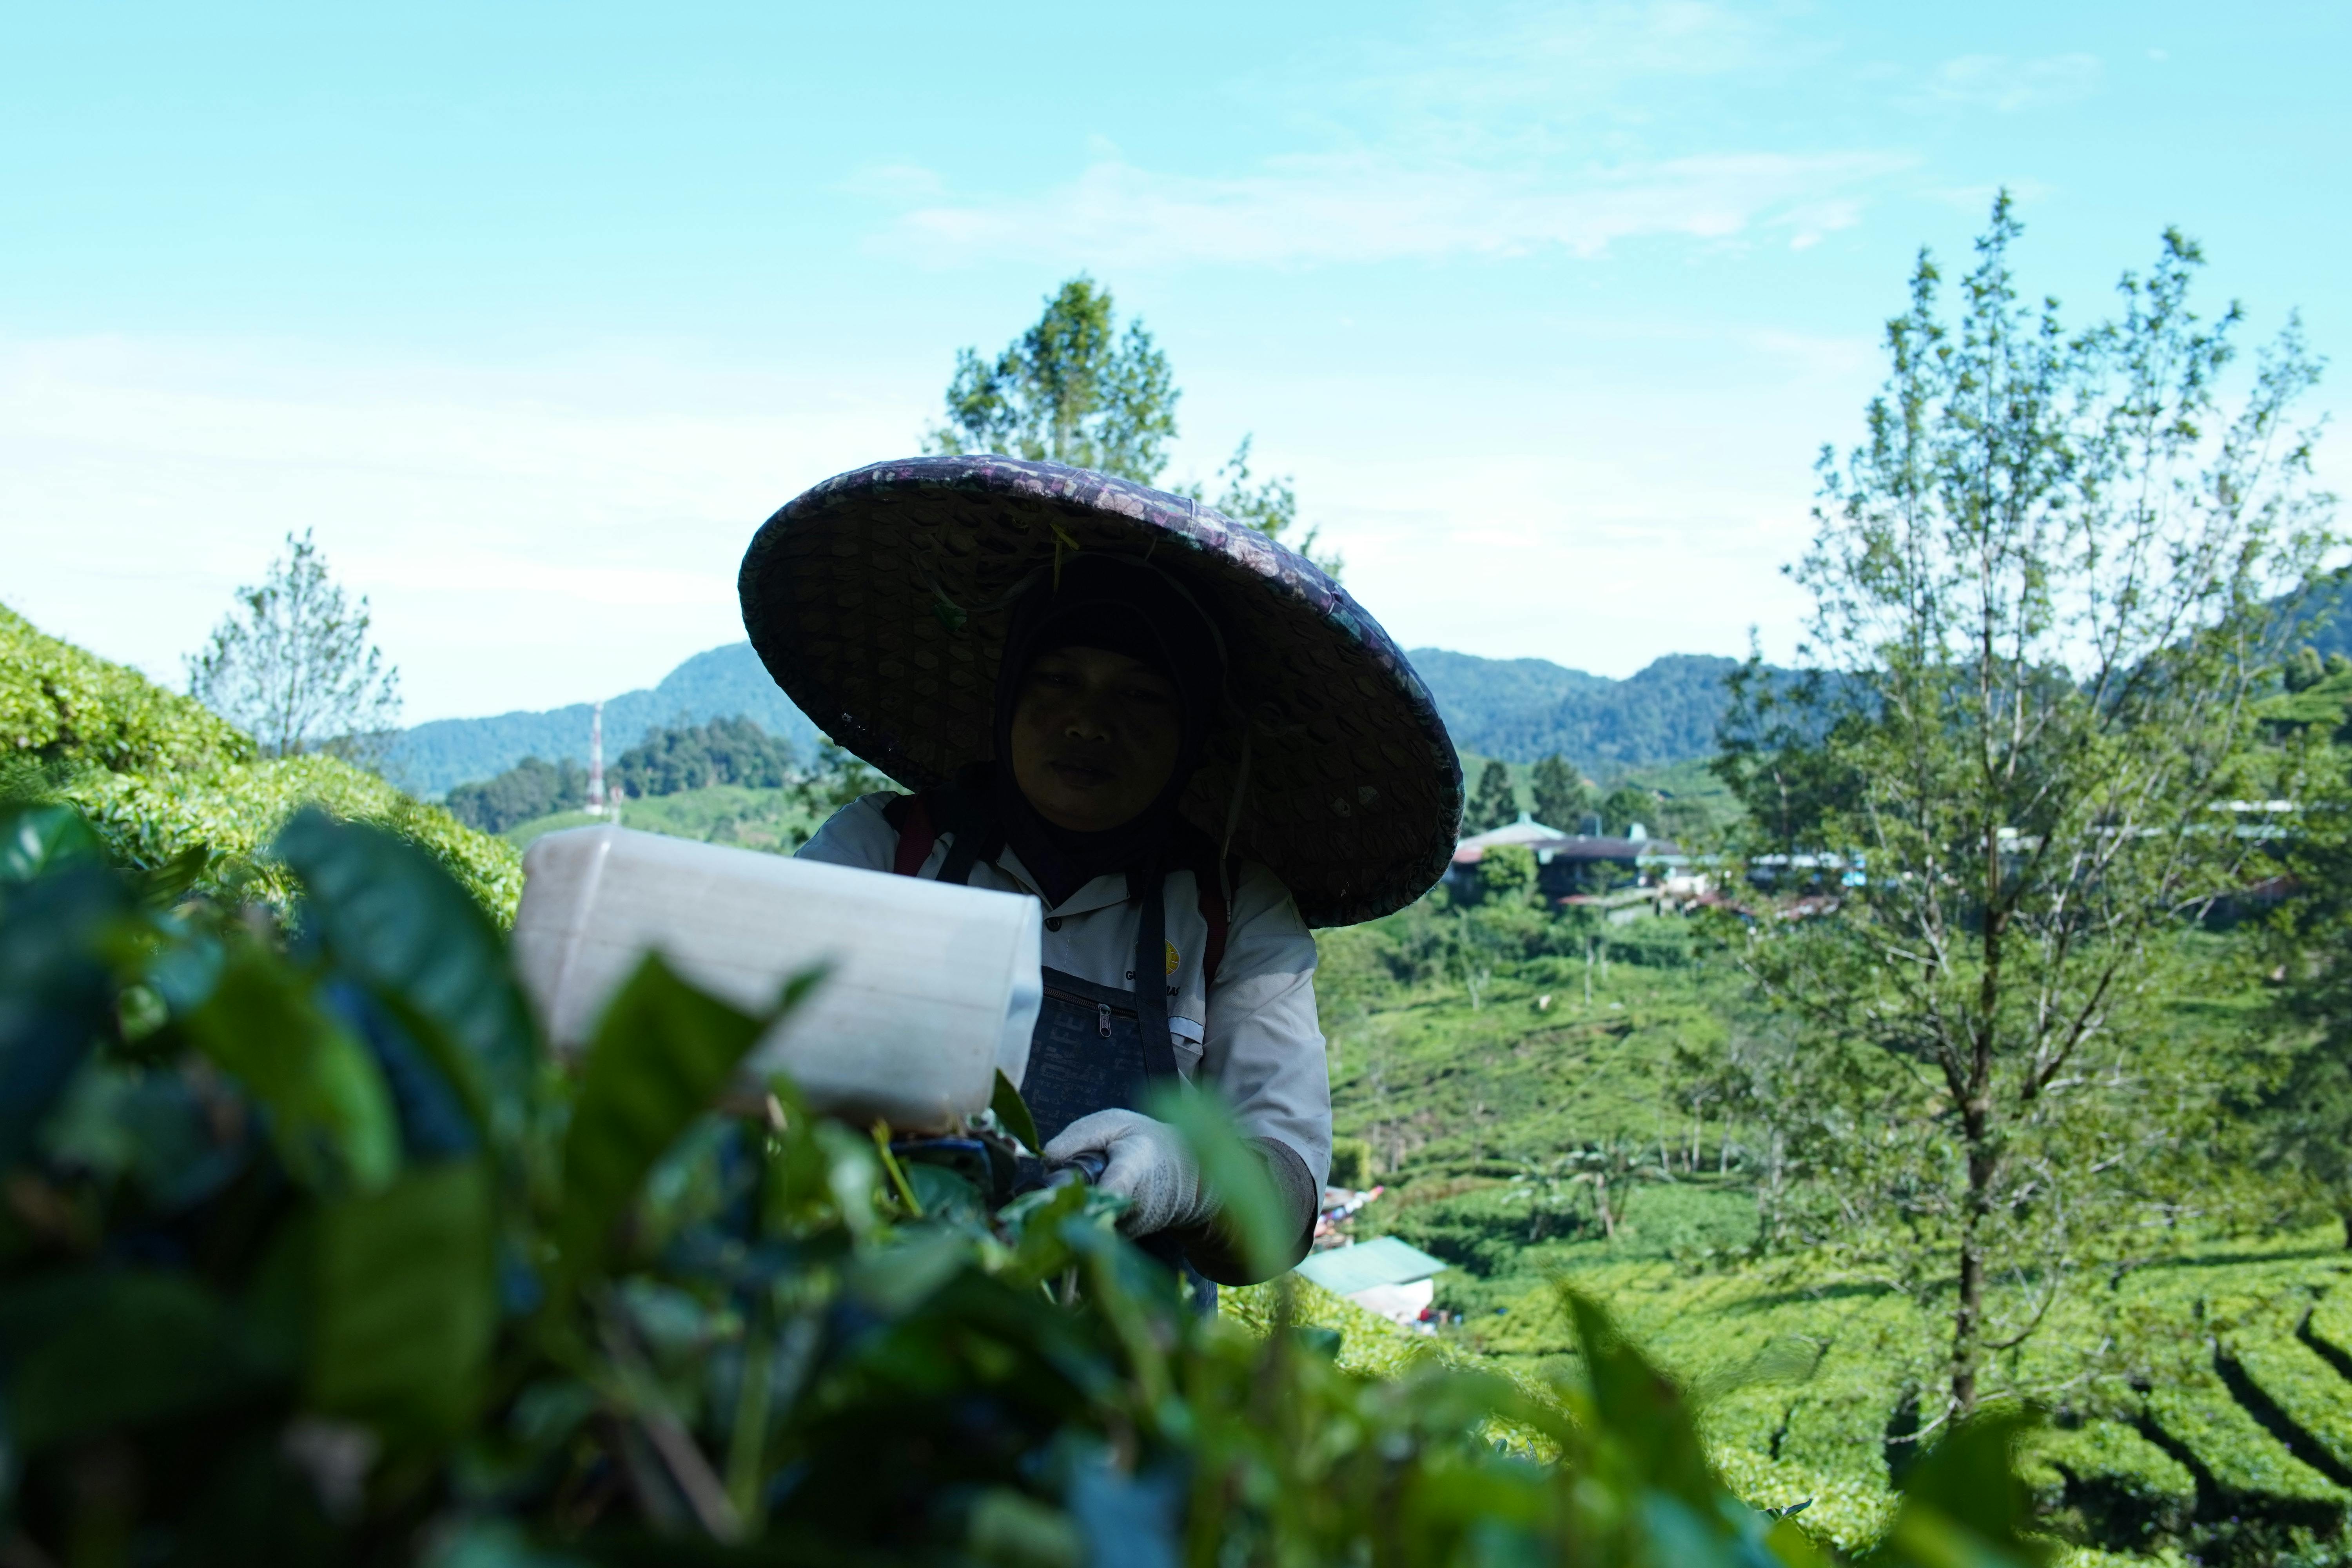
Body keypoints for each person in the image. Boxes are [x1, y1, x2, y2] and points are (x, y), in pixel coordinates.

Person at [738, 456, 1461, 1287]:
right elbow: (740, 1044)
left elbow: (1287, 1201)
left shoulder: (1234, 915)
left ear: (1192, 736)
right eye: (1057, 680)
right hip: (871, 1315)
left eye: (1140, 697)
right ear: (1008, 695)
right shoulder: (884, 852)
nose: (1087, 721)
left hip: (1119, 1378)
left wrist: (1187, 1177)